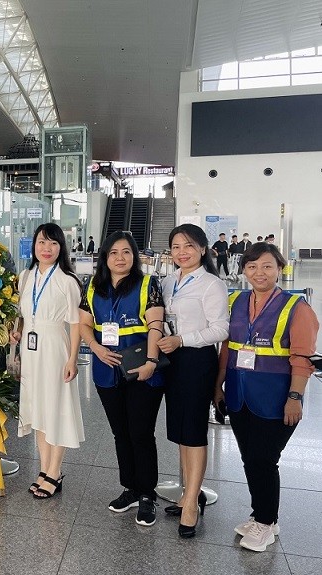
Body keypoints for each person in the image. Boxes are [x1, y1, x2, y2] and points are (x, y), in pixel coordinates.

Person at [214, 243, 318, 552]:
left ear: (280, 269)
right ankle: (262, 516)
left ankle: (266, 521)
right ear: (244, 270)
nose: (259, 273)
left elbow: (302, 358)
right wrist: (217, 386)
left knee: (264, 459)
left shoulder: (297, 307)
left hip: (276, 397)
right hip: (239, 394)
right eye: (252, 267)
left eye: (267, 266)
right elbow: (227, 348)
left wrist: (295, 397)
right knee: (250, 458)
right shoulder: (235, 301)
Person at [78, 231, 165, 526]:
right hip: (107, 369)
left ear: (134, 256)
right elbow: (84, 324)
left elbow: (155, 325)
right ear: (105, 257)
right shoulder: (92, 286)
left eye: (126, 252)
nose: (120, 257)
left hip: (141, 369)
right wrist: (96, 348)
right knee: (121, 433)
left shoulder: (148, 284)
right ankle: (130, 488)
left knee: (141, 432)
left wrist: (152, 361)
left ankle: (147, 493)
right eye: (113, 252)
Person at [157, 223, 229, 538]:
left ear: (202, 248)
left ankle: (190, 506)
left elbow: (221, 328)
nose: (182, 252)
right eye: (176, 247)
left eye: (188, 245)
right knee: (181, 430)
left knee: (194, 431)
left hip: (196, 360)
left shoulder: (211, 284)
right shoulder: (168, 281)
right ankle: (189, 492)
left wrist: (183, 340)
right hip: (171, 361)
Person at [10, 223, 83, 499]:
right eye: (42, 242)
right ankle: (43, 469)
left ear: (61, 247)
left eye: (53, 243)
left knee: (56, 408)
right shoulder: (25, 276)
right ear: (34, 245)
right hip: (30, 350)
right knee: (38, 408)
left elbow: (75, 324)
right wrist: (16, 331)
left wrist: (72, 359)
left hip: (55, 348)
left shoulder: (68, 280)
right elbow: (22, 314)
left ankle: (55, 471)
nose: (47, 248)